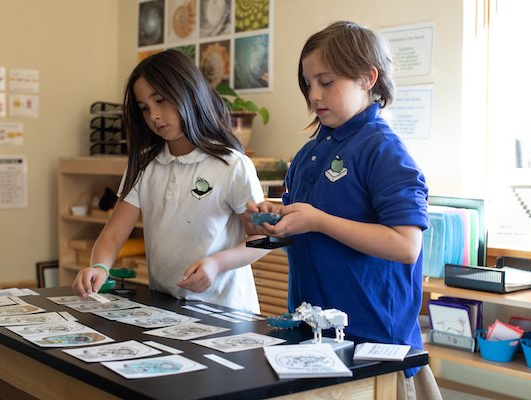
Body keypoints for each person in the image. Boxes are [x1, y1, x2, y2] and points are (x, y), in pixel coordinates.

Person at [247, 21, 442, 399]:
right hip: (313, 336)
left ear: (368, 78)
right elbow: (308, 223)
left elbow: (406, 245)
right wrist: (279, 217)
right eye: (308, 84)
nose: (314, 95)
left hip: (375, 344)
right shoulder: (308, 153)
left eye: (327, 81)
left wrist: (318, 221)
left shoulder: (383, 150)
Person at [72, 49, 268, 314]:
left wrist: (217, 263)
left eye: (161, 101)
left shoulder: (231, 164)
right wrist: (99, 267)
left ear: (189, 93)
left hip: (227, 313)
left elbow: (262, 239)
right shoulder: (144, 165)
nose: (153, 115)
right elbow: (113, 234)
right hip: (167, 309)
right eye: (144, 108)